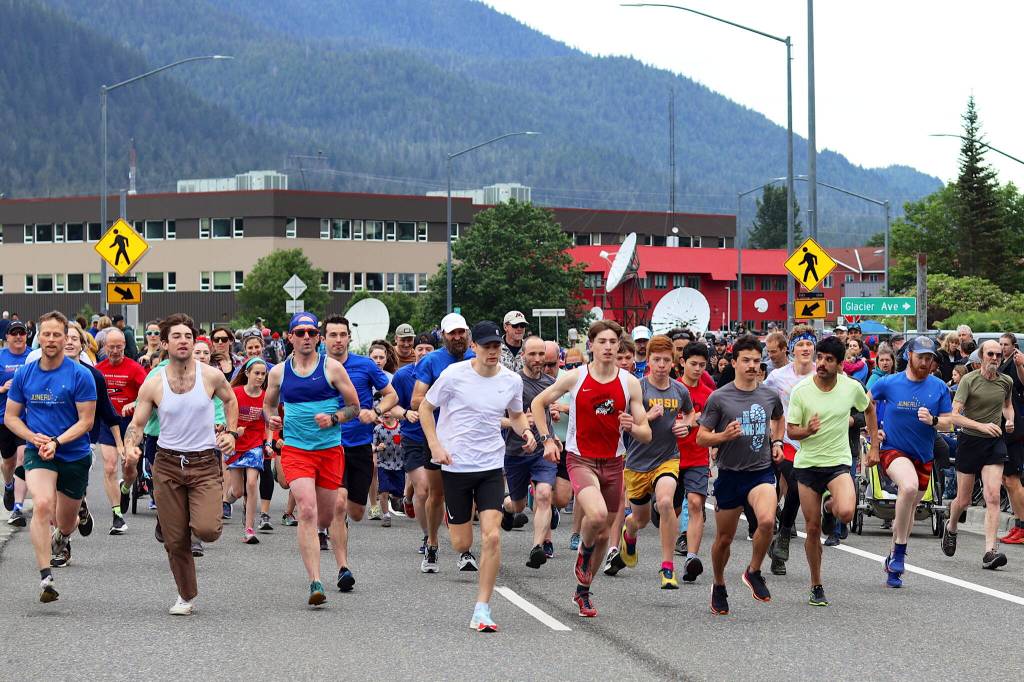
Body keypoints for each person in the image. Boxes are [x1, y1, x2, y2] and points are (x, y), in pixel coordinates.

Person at [420, 320, 536, 632]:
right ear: (474, 347)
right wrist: (435, 444)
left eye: (497, 346)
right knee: (461, 543)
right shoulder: (454, 376)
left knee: (493, 536)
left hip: (490, 467)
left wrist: (525, 431)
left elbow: (516, 414)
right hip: (455, 466)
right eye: (486, 346)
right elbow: (424, 409)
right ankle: (453, 521)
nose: (493, 351)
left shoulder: (511, 381)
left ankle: (482, 608)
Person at [531, 320, 652, 618]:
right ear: (592, 346)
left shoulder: (629, 383)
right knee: (596, 517)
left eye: (613, 342)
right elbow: (538, 403)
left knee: (602, 536)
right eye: (603, 342)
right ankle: (583, 550)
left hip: (614, 462)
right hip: (580, 459)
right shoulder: (575, 378)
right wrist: (547, 439)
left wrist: (632, 426)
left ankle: (583, 591)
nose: (609, 347)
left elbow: (646, 432)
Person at [123, 313, 239, 615]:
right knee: (175, 541)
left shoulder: (211, 376)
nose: (183, 341)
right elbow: (137, 424)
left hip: (203, 463)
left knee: (208, 529)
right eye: (176, 336)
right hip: (168, 464)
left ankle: (182, 518)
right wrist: (130, 448)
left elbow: (230, 400)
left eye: (188, 336)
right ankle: (186, 596)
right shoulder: (154, 383)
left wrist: (232, 433)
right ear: (164, 343)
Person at [262, 312, 360, 606]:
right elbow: (268, 406)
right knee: (306, 509)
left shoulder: (332, 369)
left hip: (329, 451)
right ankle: (315, 581)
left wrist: (333, 418)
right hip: (295, 450)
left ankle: (333, 544)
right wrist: (272, 421)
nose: (306, 337)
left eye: (311, 333)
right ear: (289, 337)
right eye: (300, 332)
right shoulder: (279, 372)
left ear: (318, 337)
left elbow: (354, 407)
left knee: (326, 517)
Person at [3, 311, 97, 603]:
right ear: (38, 337)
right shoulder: (25, 374)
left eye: (58, 335)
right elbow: (11, 417)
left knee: (65, 522)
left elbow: (86, 422)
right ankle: (46, 577)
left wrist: (58, 441)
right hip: (38, 451)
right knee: (42, 505)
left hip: (74, 454)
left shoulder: (80, 375)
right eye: (47, 334)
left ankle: (65, 535)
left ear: (66, 339)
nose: (52, 339)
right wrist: (34, 438)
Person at [696, 335, 784, 615]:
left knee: (768, 521)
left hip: (760, 473)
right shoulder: (719, 398)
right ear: (734, 362)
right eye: (745, 360)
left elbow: (778, 417)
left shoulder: (769, 395)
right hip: (730, 475)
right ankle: (719, 583)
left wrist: (777, 442)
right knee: (724, 539)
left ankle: (754, 571)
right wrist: (723, 435)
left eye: (756, 361)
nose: (751, 365)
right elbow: (701, 437)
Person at [788, 336, 878, 607]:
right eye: (820, 358)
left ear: (840, 364)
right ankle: (816, 584)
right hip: (807, 465)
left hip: (838, 461)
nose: (822, 364)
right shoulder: (801, 391)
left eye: (829, 360)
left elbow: (870, 409)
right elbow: (791, 430)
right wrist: (808, 430)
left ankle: (831, 508)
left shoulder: (851, 387)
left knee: (847, 512)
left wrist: (874, 446)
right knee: (813, 529)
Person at [866, 336, 953, 587]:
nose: (925, 362)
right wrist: (874, 433)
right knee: (909, 487)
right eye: (921, 357)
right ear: (909, 356)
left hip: (923, 455)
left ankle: (893, 560)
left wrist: (934, 421)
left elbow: (949, 420)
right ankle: (901, 555)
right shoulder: (889, 382)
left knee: (910, 508)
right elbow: (865, 403)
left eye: (930, 358)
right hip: (894, 450)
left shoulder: (938, 387)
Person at [321, 315, 397, 590]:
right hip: (328, 446)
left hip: (360, 447)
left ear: (349, 338)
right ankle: (343, 568)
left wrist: (375, 411)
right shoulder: (316, 366)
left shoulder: (364, 366)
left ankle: (341, 526)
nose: (338, 340)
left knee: (355, 511)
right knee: (339, 505)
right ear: (324, 338)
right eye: (333, 335)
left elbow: (392, 396)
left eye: (343, 334)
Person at [616, 335, 693, 588]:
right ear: (648, 361)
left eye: (666, 360)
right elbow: (624, 422)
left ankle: (667, 567)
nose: (661, 365)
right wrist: (645, 417)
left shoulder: (680, 389)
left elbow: (690, 413)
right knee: (640, 520)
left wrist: (685, 425)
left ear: (674, 363)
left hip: (667, 459)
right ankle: (629, 532)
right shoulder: (637, 388)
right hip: (638, 463)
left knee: (665, 502)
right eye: (656, 359)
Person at [411, 313, 476, 573]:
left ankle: (466, 550)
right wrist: (443, 395)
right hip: (437, 436)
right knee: (437, 495)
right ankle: (433, 543)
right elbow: (416, 400)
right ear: (443, 335)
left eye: (461, 332)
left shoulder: (477, 357)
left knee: (467, 494)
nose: (457, 337)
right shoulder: (432, 361)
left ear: (468, 334)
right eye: (452, 333)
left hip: (469, 437)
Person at [943, 339, 1013, 570]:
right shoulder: (969, 380)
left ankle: (990, 551)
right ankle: (951, 526)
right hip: (970, 442)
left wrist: (1010, 419)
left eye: (998, 355)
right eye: (990, 354)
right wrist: (981, 426)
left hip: (994, 443)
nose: (994, 358)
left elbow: (1007, 405)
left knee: (993, 495)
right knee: (962, 500)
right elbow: (954, 416)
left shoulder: (1006, 382)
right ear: (981, 357)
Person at [500, 336, 558, 569]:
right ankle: (505, 507)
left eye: (541, 354)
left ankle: (537, 547)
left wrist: (552, 435)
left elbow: (548, 413)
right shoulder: (512, 382)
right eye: (532, 354)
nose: (537, 359)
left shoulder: (550, 384)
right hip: (516, 451)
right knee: (519, 504)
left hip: (542, 450)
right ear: (522, 355)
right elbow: (496, 417)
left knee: (544, 494)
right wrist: (520, 422)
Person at [764, 326, 817, 576]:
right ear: (792, 349)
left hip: (816, 444)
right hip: (786, 441)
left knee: (805, 491)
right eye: (800, 344)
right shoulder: (777, 377)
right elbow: (762, 400)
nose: (805, 349)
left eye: (809, 344)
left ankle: (779, 540)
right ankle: (784, 535)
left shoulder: (823, 373)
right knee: (795, 484)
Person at [95, 328, 148, 534]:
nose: (115, 351)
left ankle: (125, 488)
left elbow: (146, 395)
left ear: (125, 346)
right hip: (108, 424)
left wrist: (134, 402)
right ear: (104, 347)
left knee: (129, 467)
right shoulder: (99, 369)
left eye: (119, 346)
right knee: (109, 467)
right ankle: (117, 515)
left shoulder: (134, 369)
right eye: (111, 347)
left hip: (130, 424)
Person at [390, 333, 437, 550]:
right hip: (414, 438)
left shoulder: (443, 373)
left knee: (438, 491)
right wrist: (406, 414)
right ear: (414, 351)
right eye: (421, 349)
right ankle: (428, 537)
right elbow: (391, 405)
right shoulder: (402, 375)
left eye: (429, 349)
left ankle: (410, 501)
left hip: (439, 438)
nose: (424, 353)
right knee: (423, 489)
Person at [673, 342, 714, 581]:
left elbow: (713, 425)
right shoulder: (672, 390)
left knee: (696, 503)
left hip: (698, 457)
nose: (698, 369)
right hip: (670, 458)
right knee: (670, 508)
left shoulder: (709, 395)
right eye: (693, 364)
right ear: (682, 363)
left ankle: (691, 557)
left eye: (702, 365)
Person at [228, 357, 272, 544]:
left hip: (255, 444)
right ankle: (223, 500)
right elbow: (225, 415)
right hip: (235, 443)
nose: (260, 377)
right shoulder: (235, 393)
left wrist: (268, 443)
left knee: (252, 483)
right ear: (246, 373)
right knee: (237, 492)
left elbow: (270, 424)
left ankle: (249, 529)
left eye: (263, 374)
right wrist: (231, 431)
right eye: (256, 373)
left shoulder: (266, 397)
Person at [2, 320, 32, 523]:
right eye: (14, 333)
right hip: (3, 417)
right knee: (8, 461)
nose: (19, 336)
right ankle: (8, 485)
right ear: (7, 337)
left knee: (22, 457)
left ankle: (18, 507)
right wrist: (3, 387)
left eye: (22, 333)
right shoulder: (1, 357)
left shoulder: (33, 356)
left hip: (27, 418)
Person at [997, 333, 1024, 545]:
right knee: (1006, 480)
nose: (1002, 347)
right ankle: (1017, 524)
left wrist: (1021, 365)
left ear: (1013, 346)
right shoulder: (1001, 363)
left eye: (1006, 344)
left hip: (1014, 428)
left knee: (1013, 479)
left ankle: (1023, 525)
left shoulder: (1016, 362)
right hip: (1002, 427)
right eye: (1000, 344)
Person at [372, 410, 404, 527]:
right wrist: (377, 448)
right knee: (383, 489)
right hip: (383, 464)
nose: (386, 413)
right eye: (384, 411)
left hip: (399, 464)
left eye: (389, 411)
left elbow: (408, 442)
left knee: (398, 493)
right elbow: (372, 445)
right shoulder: (378, 429)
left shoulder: (401, 428)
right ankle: (386, 515)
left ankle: (394, 497)